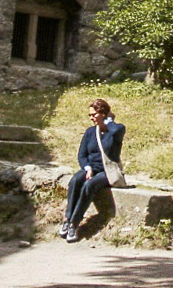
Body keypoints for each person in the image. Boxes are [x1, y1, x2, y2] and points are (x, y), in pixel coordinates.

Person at [59, 98, 125, 243]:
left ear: (103, 114)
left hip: (107, 172)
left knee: (90, 185)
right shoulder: (90, 132)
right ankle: (68, 218)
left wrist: (108, 121)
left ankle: (74, 224)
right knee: (76, 180)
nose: (91, 118)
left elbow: (114, 130)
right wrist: (87, 168)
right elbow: (82, 155)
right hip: (92, 169)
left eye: (94, 114)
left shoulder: (116, 130)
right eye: (90, 115)